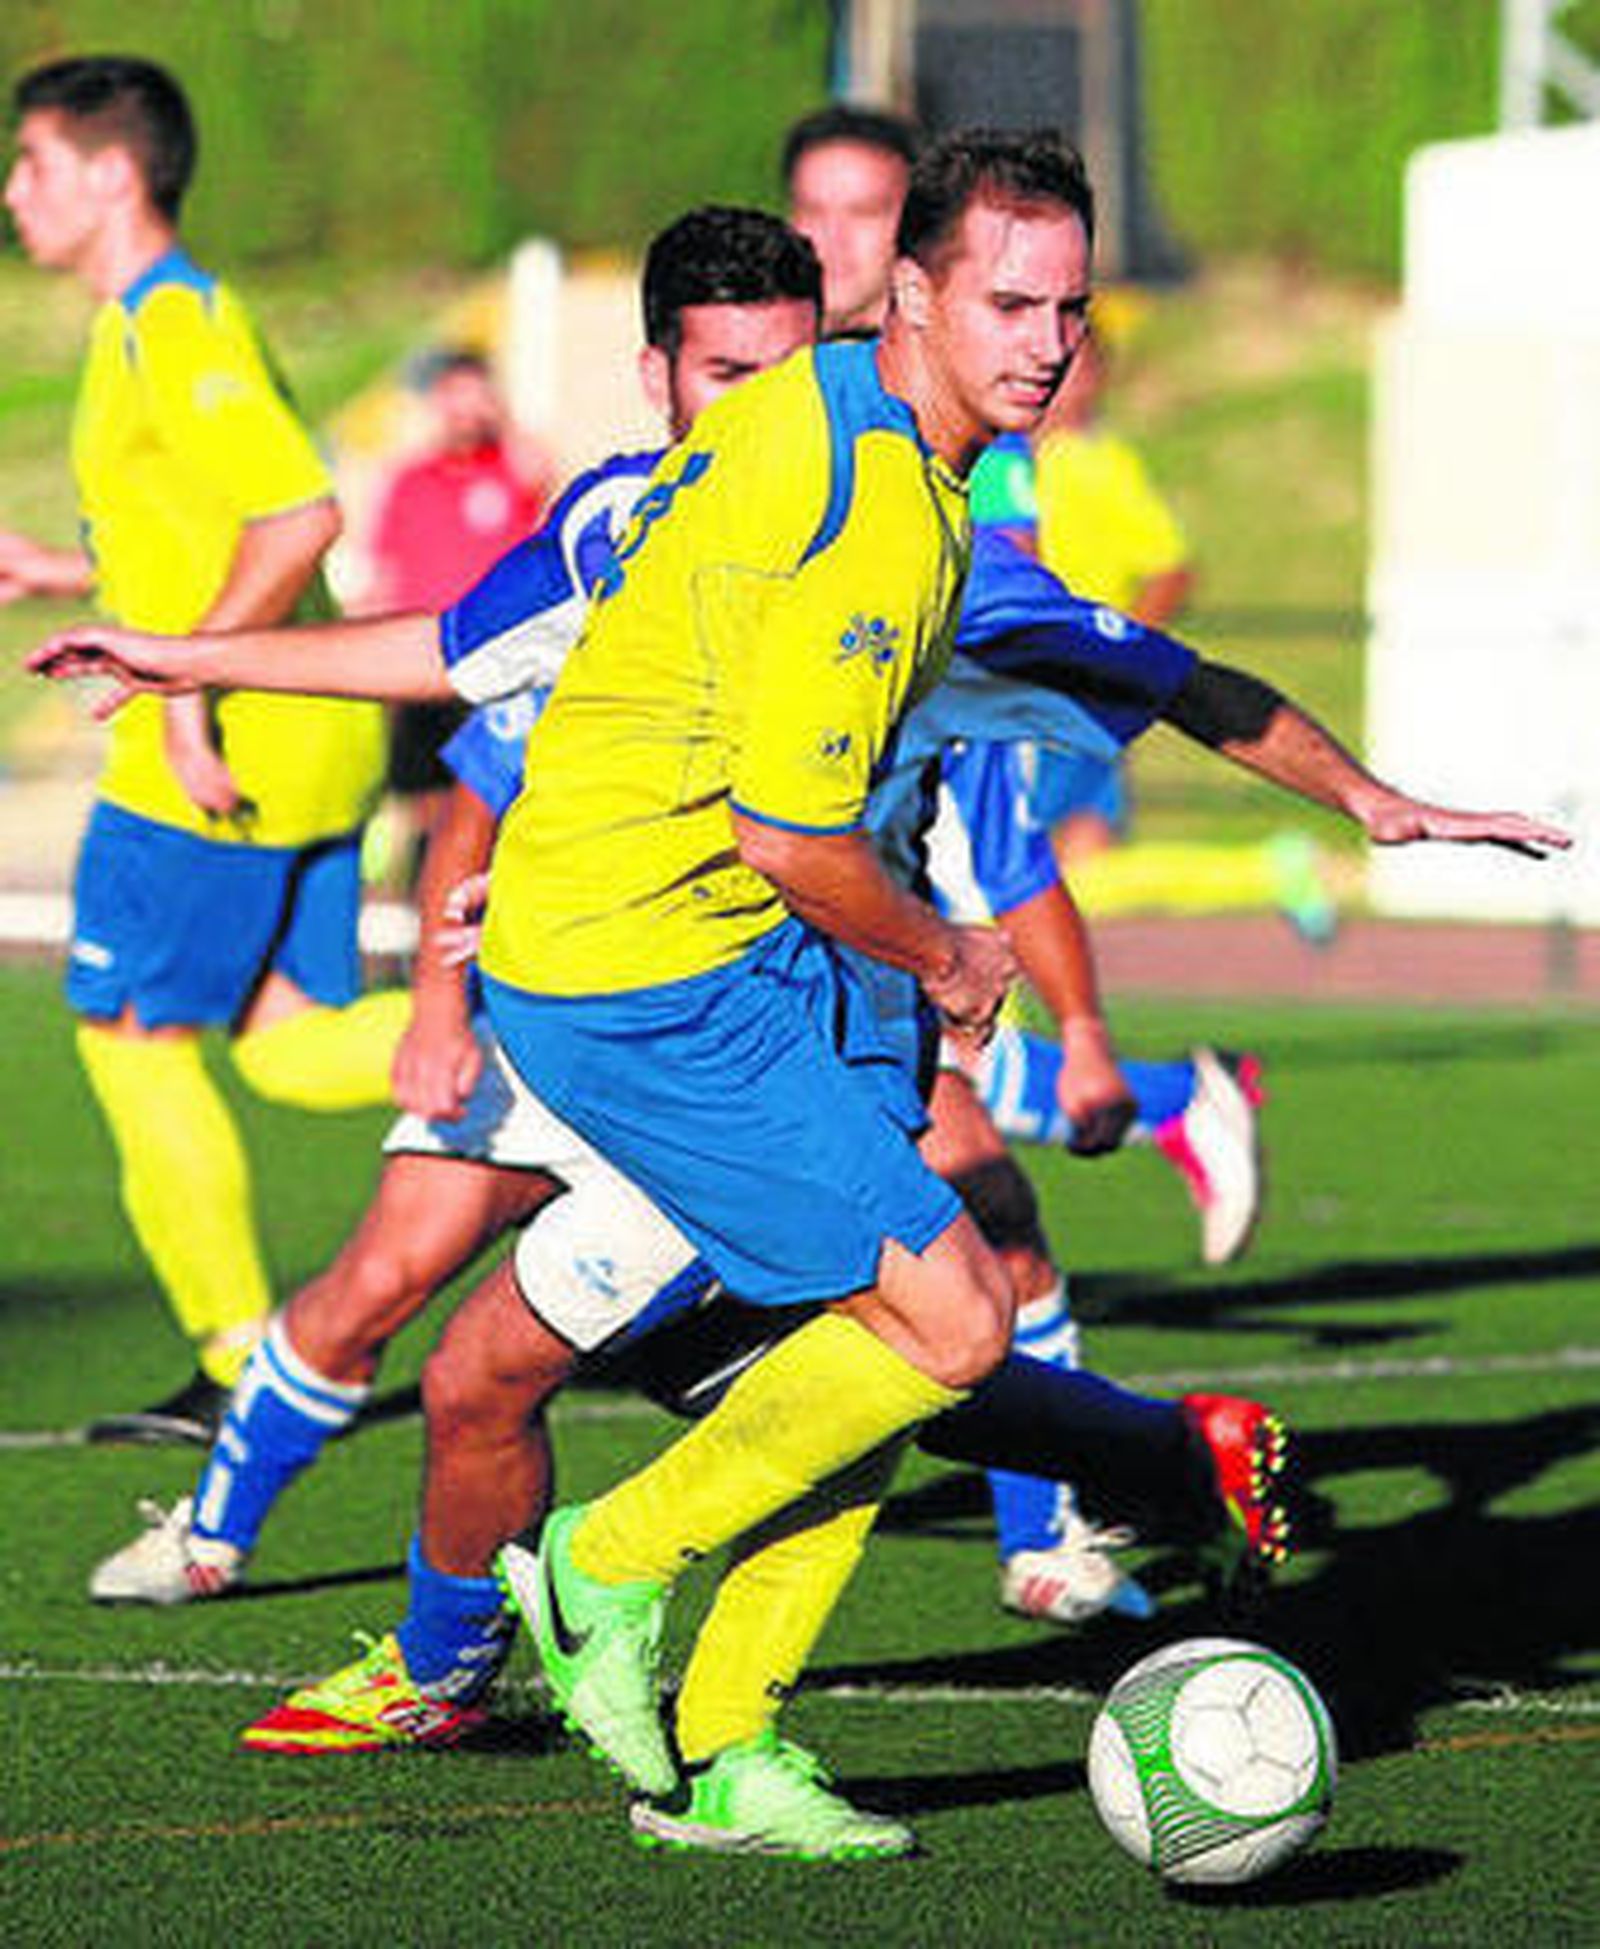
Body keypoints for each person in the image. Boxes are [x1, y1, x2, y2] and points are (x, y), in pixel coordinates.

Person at [84, 214, 1275, 1663]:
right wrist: (438, 1000)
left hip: (739, 1033)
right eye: (726, 373)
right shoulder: (619, 529)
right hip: (568, 1004)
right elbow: (476, 754)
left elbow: (1025, 807)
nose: (763, 400)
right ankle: (250, 1550)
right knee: (403, 1296)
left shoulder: (895, 535)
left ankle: (1022, 1540)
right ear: (657, 377)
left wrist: (1061, 985)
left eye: (789, 368)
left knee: (887, 1305)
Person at [0, 55, 403, 1444]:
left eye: (36, 163)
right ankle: (541, 1049)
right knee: (290, 1046)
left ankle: (243, 1359)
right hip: (300, 733)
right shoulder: (155, 320)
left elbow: (298, 517)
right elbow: (206, 517)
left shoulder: (175, 324)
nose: (15, 192)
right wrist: (69, 570)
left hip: (227, 746)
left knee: (129, 1037)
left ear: (114, 175)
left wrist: (181, 688)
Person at [359, 346, 550, 882]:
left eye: (474, 396)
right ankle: (423, 898)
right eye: (453, 397)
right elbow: (383, 575)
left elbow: (541, 471)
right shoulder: (411, 478)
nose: (464, 410)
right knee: (423, 801)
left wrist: (500, 417)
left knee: (488, 795)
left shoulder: (509, 469)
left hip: (496, 661)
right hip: (424, 661)